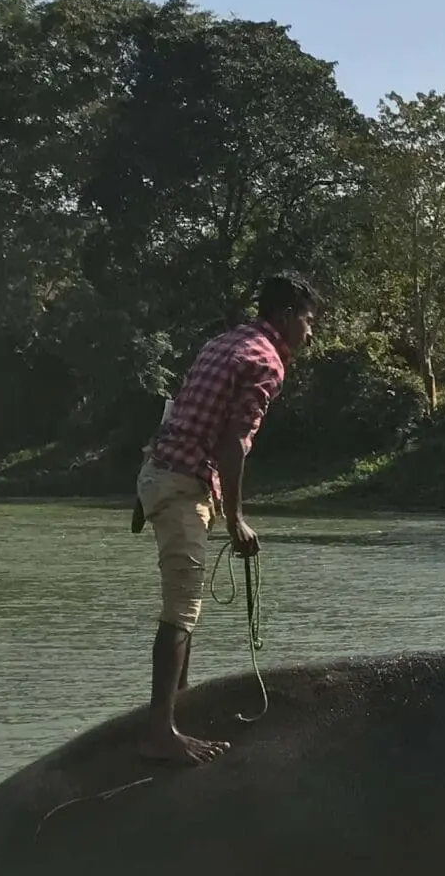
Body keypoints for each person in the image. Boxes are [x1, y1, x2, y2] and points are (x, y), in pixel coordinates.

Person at [135, 271, 321, 763]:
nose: (310, 333)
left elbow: (184, 413)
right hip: (181, 482)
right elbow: (235, 442)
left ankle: (178, 703)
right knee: (182, 607)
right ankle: (160, 732)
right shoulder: (265, 361)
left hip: (165, 473)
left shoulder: (223, 342)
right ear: (286, 316)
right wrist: (237, 518)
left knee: (187, 603)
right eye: (308, 320)